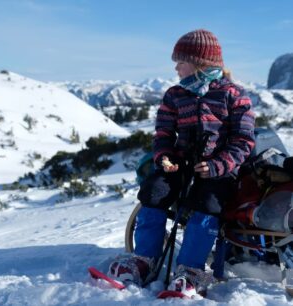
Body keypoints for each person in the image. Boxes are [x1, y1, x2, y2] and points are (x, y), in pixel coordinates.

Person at [108, 29, 255, 297]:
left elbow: (244, 140)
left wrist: (218, 165)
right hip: (180, 165)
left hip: (220, 171)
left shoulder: (234, 95)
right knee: (154, 191)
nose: (176, 67)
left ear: (201, 64)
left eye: (181, 62)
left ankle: (191, 270)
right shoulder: (175, 95)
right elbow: (163, 134)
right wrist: (164, 157)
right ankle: (144, 260)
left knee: (208, 203)